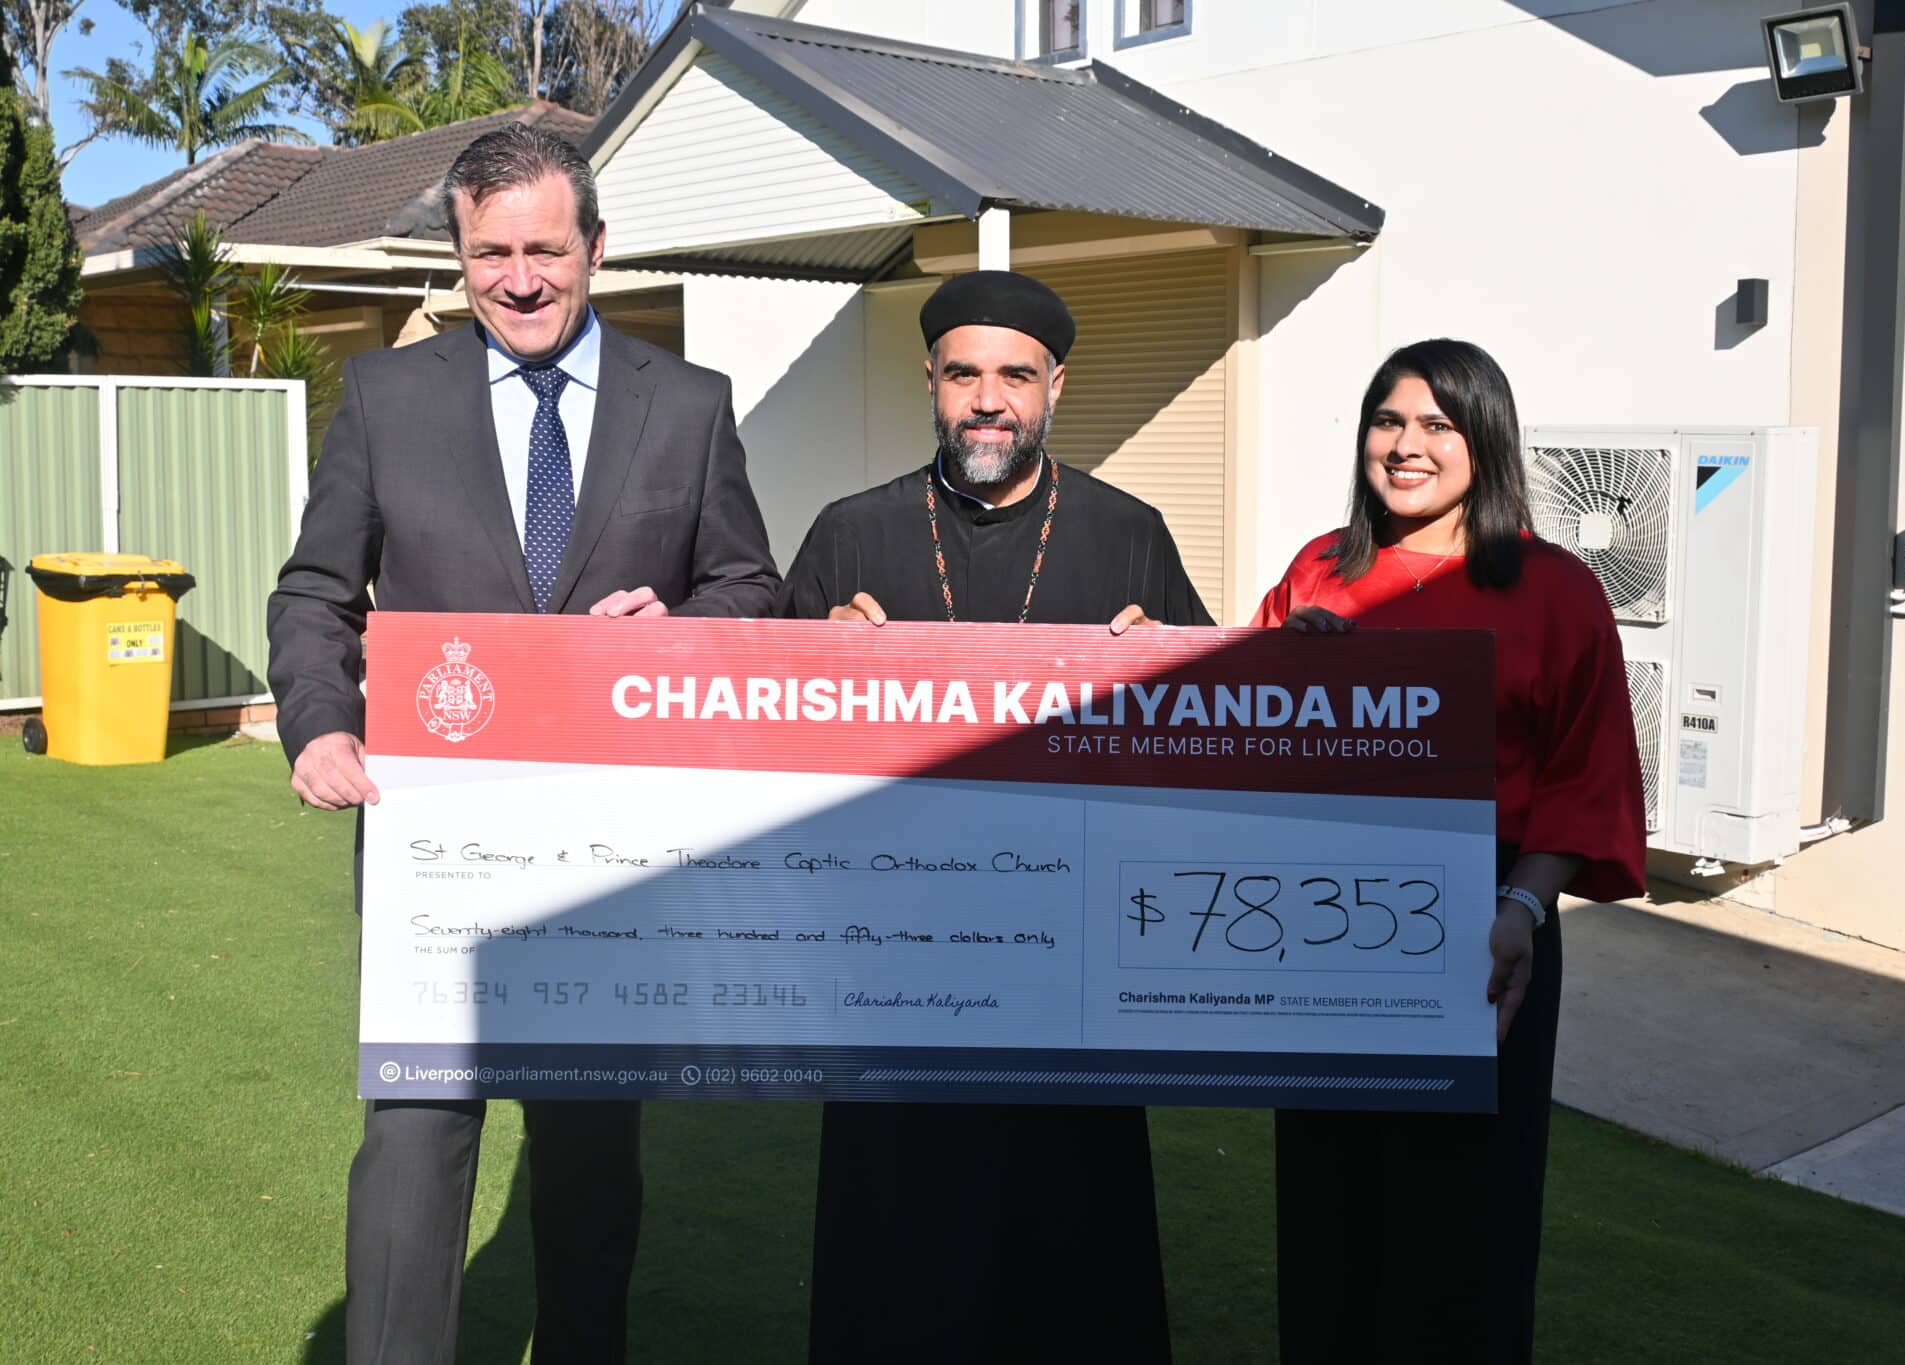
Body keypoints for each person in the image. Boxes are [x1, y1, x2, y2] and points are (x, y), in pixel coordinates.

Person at [266, 123, 779, 1365]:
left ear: (595, 246)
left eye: (545, 249)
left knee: (590, 1149)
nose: (520, 279)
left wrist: (680, 626)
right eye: (489, 253)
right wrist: (321, 725)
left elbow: (750, 588)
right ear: (457, 255)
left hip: (611, 848)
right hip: (435, 839)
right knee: (414, 1136)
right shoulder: (386, 398)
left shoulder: (688, 404)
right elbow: (315, 593)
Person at [779, 270, 1211, 1363]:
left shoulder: (1128, 534)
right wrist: (814, 668)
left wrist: (1163, 672)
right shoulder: (849, 533)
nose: (987, 400)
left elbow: (1212, 753)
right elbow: (760, 759)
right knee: (896, 1267)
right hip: (893, 973)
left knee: (1071, 1259)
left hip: (1069, 974)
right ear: (928, 380)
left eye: (1014, 375)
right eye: (962, 374)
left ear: (1055, 386)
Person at [1251, 338, 1644, 1363]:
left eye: (1436, 423)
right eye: (1387, 420)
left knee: (1467, 1217)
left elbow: (1585, 772)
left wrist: (1523, 910)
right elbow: (1248, 745)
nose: (1406, 444)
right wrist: (1281, 670)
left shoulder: (1555, 589)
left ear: (1485, 440)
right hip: (1329, 923)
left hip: (1487, 922)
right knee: (1332, 1206)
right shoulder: (1317, 571)